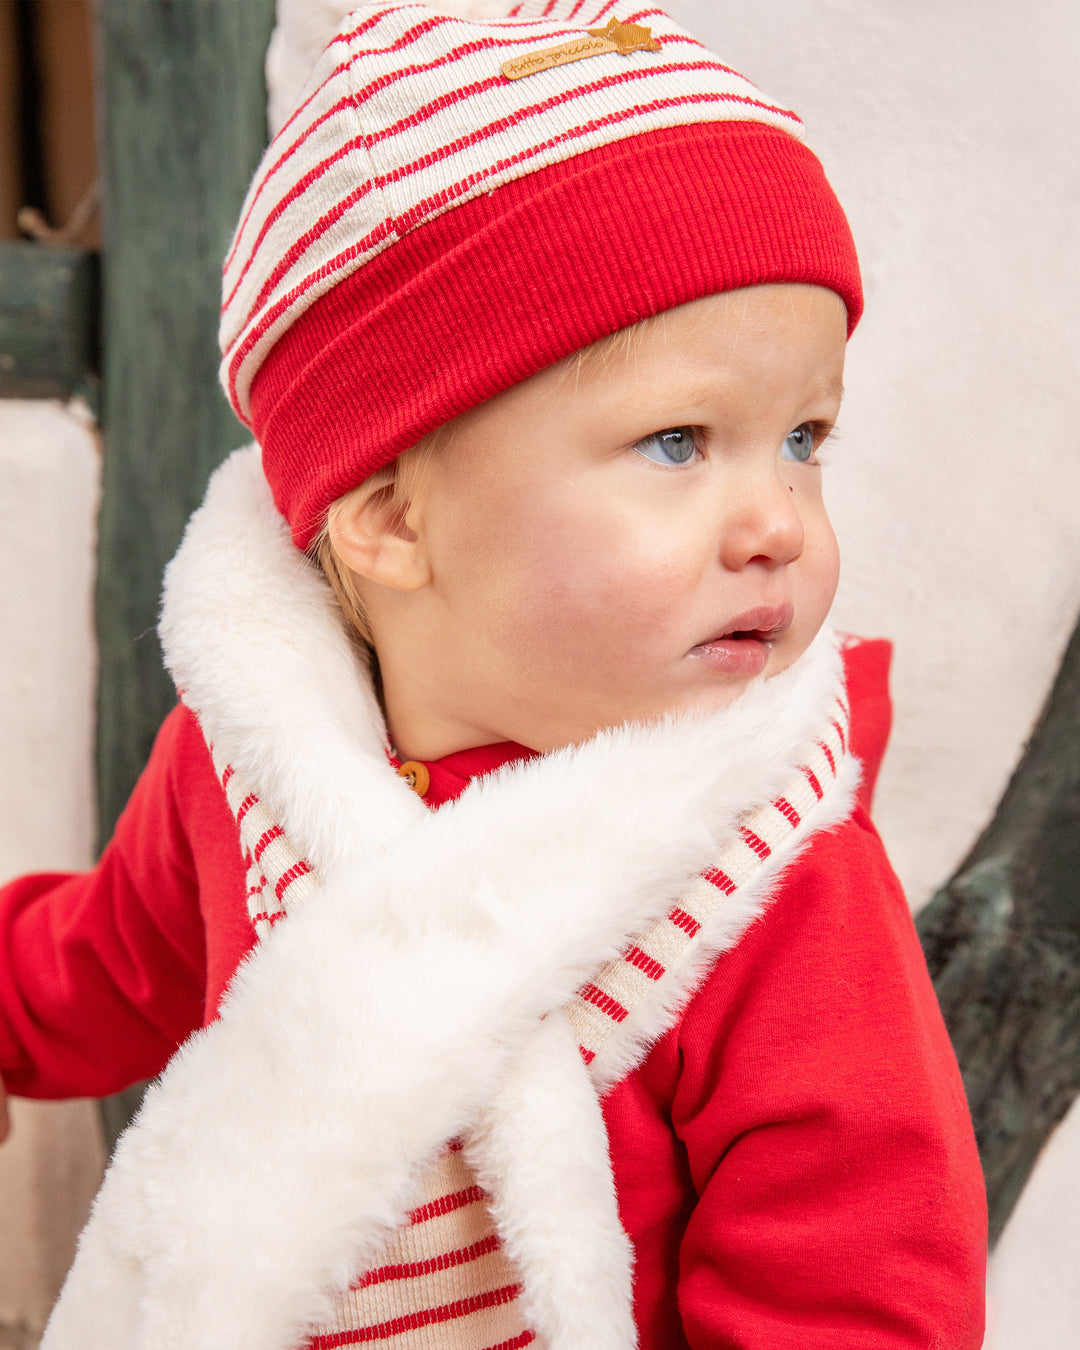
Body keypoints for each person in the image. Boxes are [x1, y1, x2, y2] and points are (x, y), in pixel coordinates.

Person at [0, 3, 986, 1347]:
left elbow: (858, 1281)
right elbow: (110, 964)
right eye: (680, 441)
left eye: (803, 437)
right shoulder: (256, 761)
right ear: (394, 517)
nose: (779, 521)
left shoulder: (766, 868)